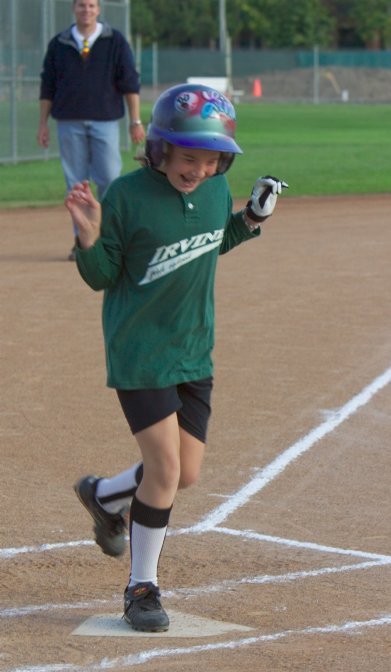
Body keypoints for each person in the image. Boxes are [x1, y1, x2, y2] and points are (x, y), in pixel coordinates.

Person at [65, 83, 287, 633]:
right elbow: (101, 277)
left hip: (193, 349)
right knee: (163, 469)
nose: (200, 169)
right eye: (190, 157)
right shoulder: (128, 195)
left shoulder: (215, 190)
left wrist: (251, 219)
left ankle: (103, 494)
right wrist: (89, 235)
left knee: (184, 474)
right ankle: (142, 587)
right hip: (140, 351)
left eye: (212, 159)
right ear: (161, 147)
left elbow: (212, 240)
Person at [37, 0, 146, 260]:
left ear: (98, 10)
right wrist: (43, 123)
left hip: (105, 120)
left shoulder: (115, 41)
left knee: (109, 177)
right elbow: (47, 87)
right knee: (75, 183)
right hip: (69, 120)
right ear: (74, 9)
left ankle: (107, 239)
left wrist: (135, 120)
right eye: (81, 5)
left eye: (91, 5)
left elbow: (130, 82)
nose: (86, 10)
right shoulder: (59, 44)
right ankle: (82, 240)